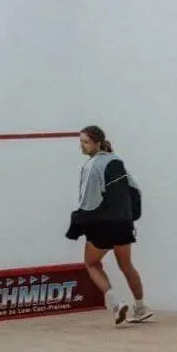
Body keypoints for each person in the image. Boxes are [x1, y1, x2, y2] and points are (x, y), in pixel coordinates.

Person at [65, 126, 153, 325]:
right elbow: (135, 190)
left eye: (85, 142)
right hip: (123, 222)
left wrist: (77, 223)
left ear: (97, 143)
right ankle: (141, 307)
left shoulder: (91, 165)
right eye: (81, 142)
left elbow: (87, 200)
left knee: (91, 264)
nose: (82, 146)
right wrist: (130, 217)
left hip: (101, 224)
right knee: (126, 265)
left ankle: (117, 302)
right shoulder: (117, 161)